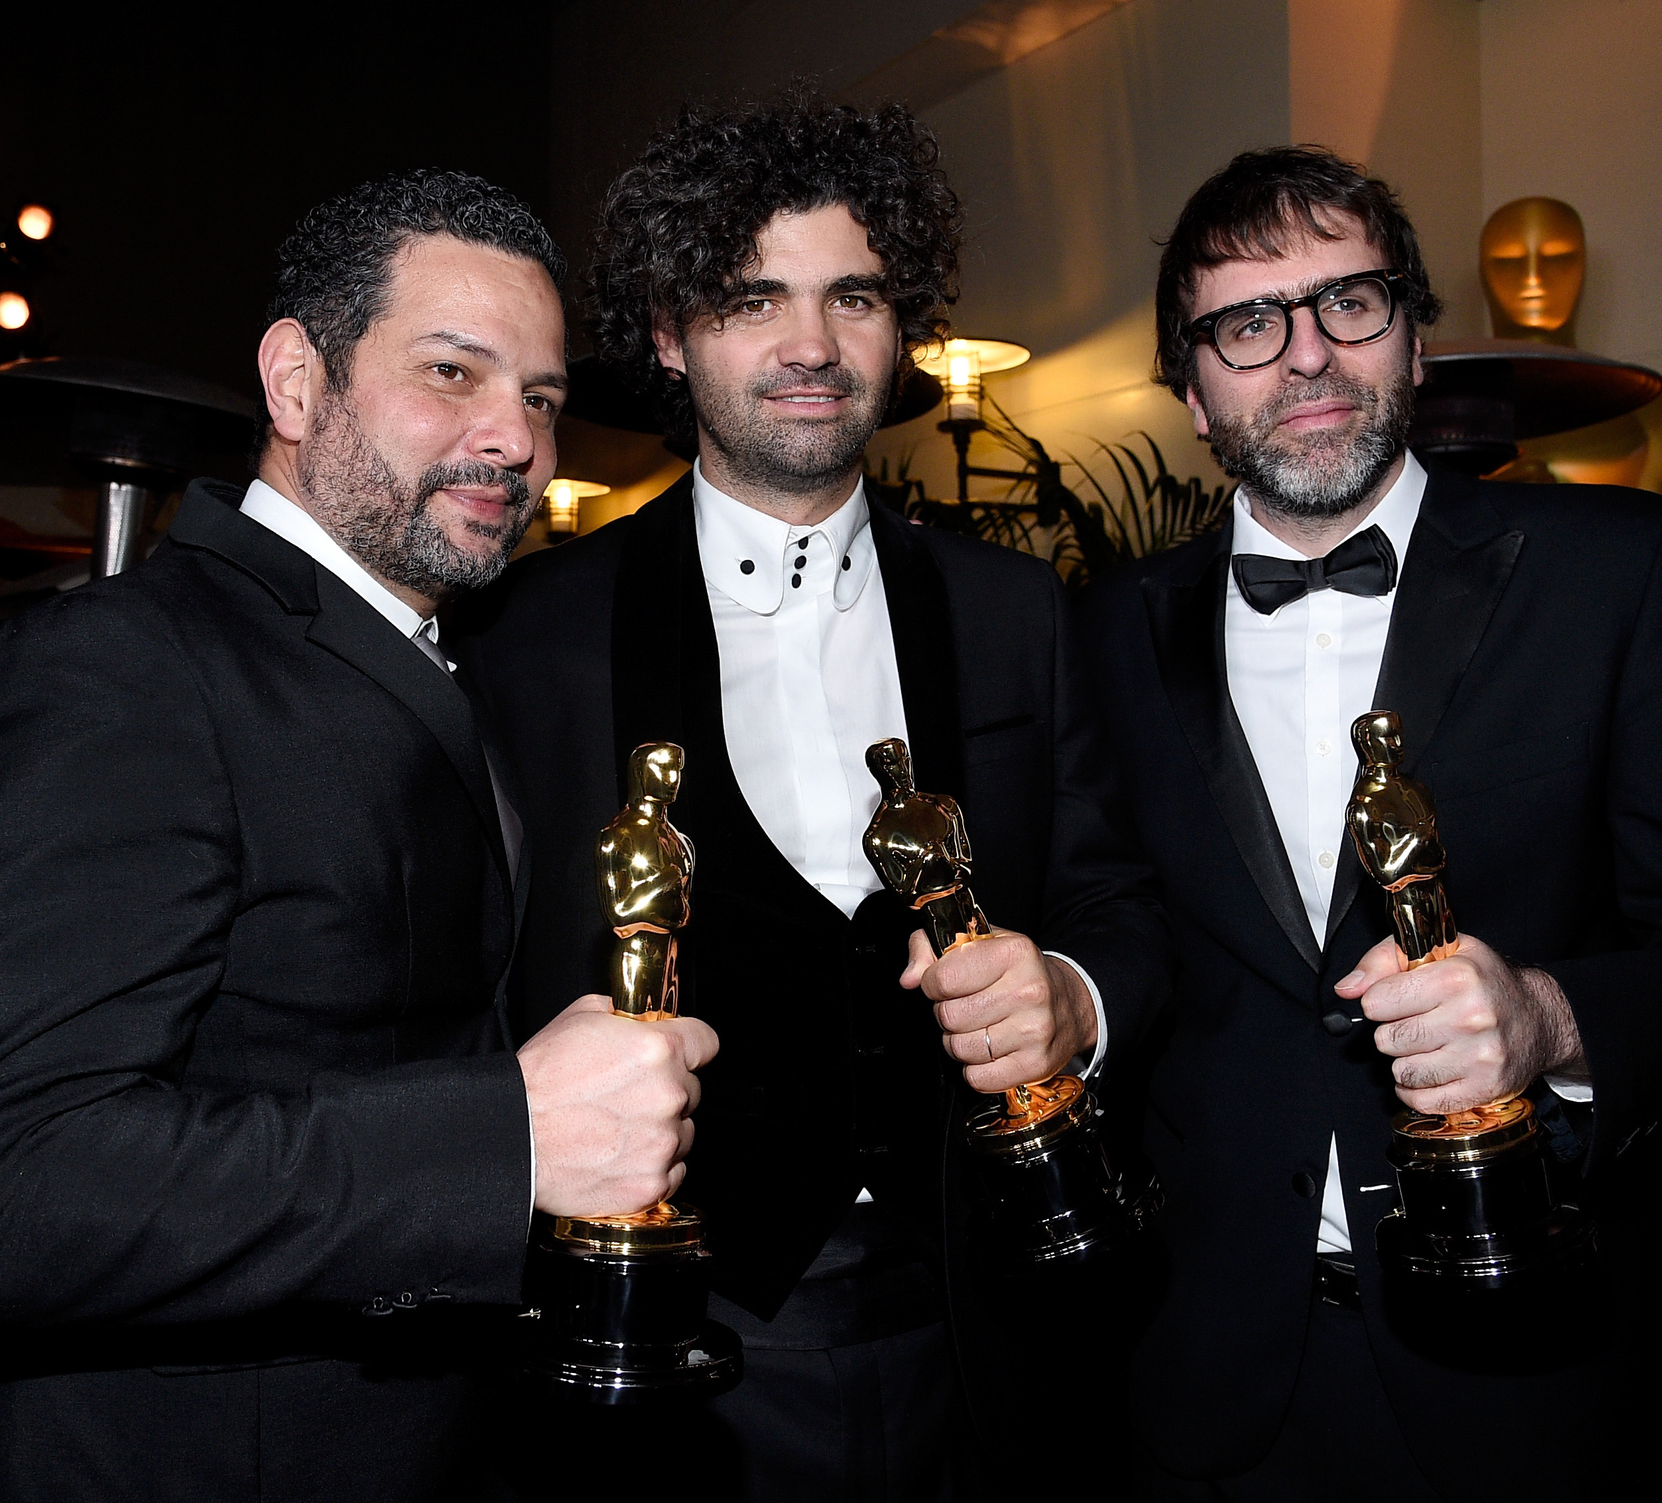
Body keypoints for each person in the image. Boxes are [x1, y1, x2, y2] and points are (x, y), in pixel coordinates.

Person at [0, 169, 716, 1503]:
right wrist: (502, 1136)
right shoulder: (121, 667)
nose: (514, 436)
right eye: (453, 372)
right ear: (293, 383)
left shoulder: (438, 664)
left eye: (543, 397)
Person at [1077, 144, 1662, 1499]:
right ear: (1189, 389)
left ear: (1416, 341)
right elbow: (1103, 926)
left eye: (1348, 302)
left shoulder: (1622, 571)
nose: (1304, 355)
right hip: (1205, 1383)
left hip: (1530, 1376)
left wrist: (1549, 1018)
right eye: (1248, 322)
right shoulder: (1106, 630)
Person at [469, 93, 1165, 1499]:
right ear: (670, 333)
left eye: (851, 295)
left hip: (980, 1312)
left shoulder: (1015, 609)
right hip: (663, 1334)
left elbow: (1120, 897)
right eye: (753, 298)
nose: (810, 346)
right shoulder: (530, 631)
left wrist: (1076, 996)